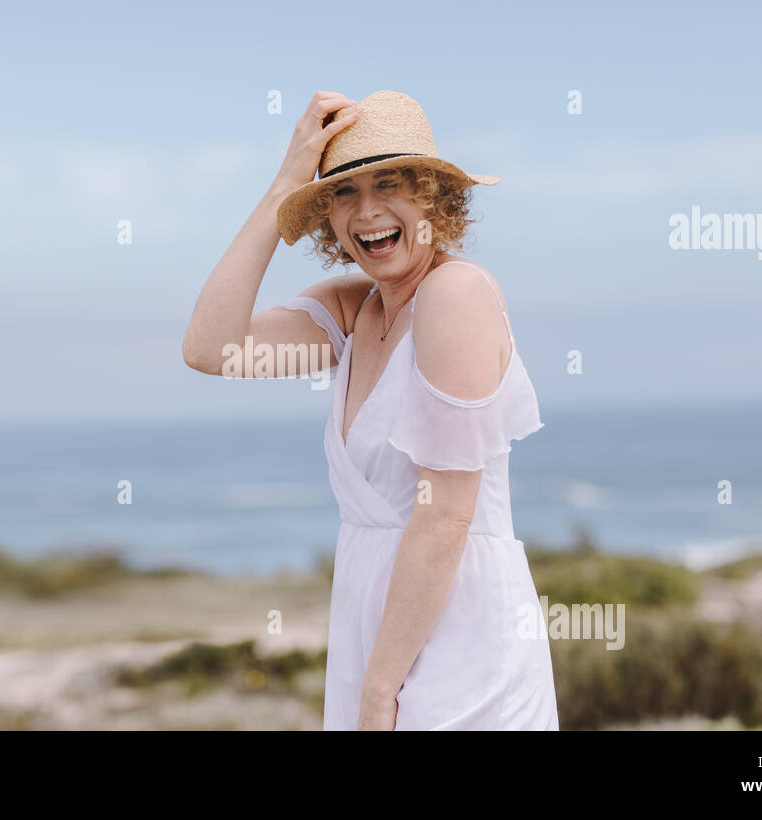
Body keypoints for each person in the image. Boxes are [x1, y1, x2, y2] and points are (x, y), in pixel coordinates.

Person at [182, 90, 558, 730]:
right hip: (375, 628)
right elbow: (212, 348)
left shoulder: (455, 294)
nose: (367, 211)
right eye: (343, 193)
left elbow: (444, 517)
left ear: (433, 197)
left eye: (388, 184)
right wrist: (285, 185)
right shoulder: (356, 311)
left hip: (458, 642)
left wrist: (380, 689)